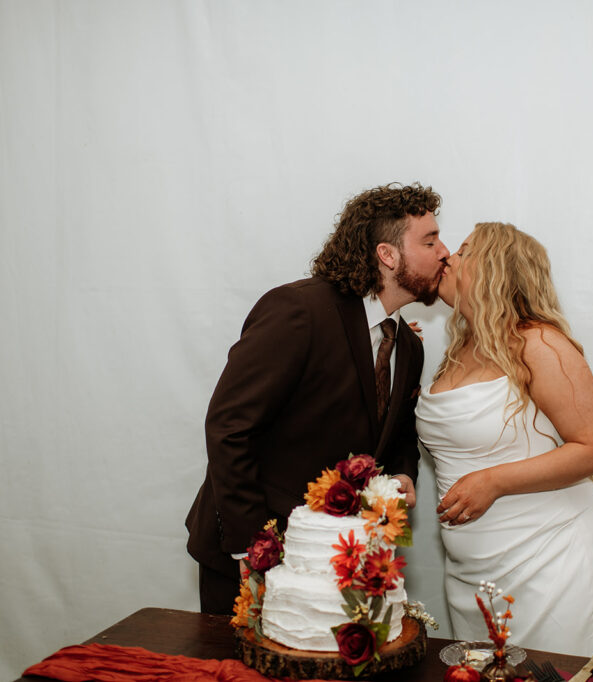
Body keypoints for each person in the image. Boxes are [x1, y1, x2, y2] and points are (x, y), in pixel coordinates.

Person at [187, 183, 450, 614]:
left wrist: (402, 474)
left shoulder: (408, 344)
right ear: (387, 255)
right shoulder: (299, 311)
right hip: (251, 555)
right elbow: (229, 427)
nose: (445, 252)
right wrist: (253, 548)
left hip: (337, 562)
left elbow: (399, 435)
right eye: (430, 240)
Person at [415, 222, 593, 657]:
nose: (449, 255)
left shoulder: (539, 343)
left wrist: (494, 481)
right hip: (473, 568)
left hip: (549, 554)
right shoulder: (458, 351)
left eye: (466, 251)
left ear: (495, 271)